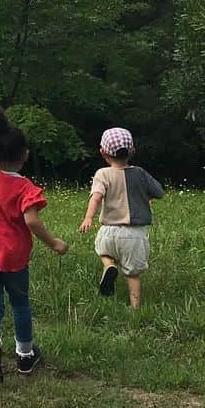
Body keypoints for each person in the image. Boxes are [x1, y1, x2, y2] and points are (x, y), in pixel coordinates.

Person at [0, 107, 69, 382]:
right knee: (20, 304)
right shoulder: (25, 188)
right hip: (13, 257)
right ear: (25, 156)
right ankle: (26, 356)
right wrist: (54, 242)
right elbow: (31, 221)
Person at [79, 127, 164, 309]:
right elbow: (159, 192)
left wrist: (88, 218)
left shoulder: (102, 174)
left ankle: (109, 265)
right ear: (132, 151)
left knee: (103, 252)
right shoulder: (140, 173)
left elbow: (96, 197)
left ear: (103, 152)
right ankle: (135, 308)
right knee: (133, 274)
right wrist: (145, 196)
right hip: (134, 235)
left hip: (108, 231)